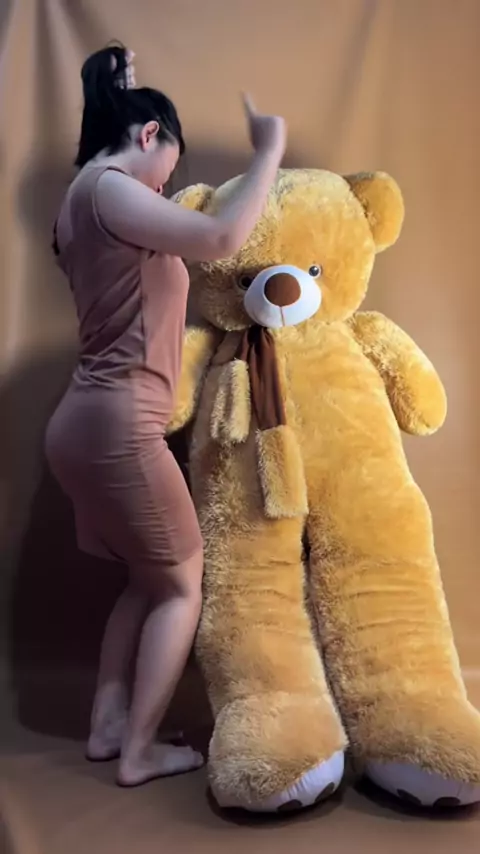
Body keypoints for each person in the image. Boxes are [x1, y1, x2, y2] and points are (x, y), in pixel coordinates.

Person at [45, 44, 287, 787]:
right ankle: (140, 752)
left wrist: (118, 81)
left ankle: (109, 728)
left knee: (146, 581)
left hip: (85, 424)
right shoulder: (110, 186)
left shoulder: (79, 202)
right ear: (149, 136)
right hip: (117, 425)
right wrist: (269, 150)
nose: (165, 189)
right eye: (167, 171)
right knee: (182, 583)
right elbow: (220, 238)